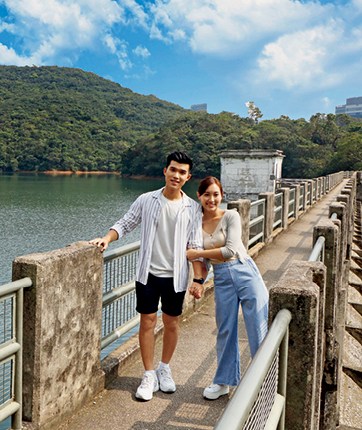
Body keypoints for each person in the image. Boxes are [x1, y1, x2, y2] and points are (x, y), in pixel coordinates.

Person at [89, 151, 206, 401]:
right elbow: (126, 223)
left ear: (188, 177)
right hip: (148, 274)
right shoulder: (146, 200)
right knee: (147, 322)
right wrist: (106, 239)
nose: (176, 175)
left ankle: (165, 368)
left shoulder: (192, 209)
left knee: (172, 323)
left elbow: (195, 246)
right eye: (173, 169)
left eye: (182, 172)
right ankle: (149, 373)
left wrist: (198, 280)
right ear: (165, 171)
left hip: (176, 276)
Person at [186, 177, 269, 400]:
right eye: (207, 195)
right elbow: (200, 264)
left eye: (216, 194)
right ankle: (223, 381)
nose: (211, 199)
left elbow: (230, 250)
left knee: (257, 327)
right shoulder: (194, 225)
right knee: (225, 330)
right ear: (199, 196)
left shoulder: (230, 216)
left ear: (221, 195)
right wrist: (199, 282)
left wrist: (198, 253)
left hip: (244, 271)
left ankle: (264, 384)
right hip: (221, 278)